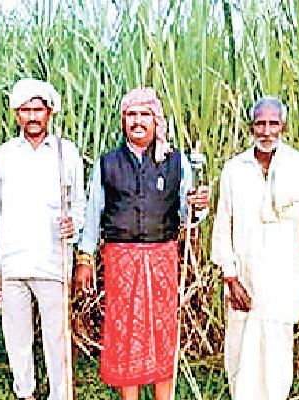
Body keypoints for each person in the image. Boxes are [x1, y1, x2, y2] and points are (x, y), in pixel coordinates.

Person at [211, 96, 299, 400]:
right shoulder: (234, 170)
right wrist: (231, 278)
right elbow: (222, 226)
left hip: (282, 279)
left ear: (283, 126)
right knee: (241, 356)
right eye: (260, 124)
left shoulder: (298, 165)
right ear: (251, 127)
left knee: (277, 359)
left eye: (273, 123)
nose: (266, 131)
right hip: (244, 279)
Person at [76, 88, 209, 400]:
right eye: (131, 115)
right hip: (120, 260)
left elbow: (188, 214)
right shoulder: (107, 163)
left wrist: (199, 205)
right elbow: (94, 213)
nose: (137, 121)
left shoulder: (176, 162)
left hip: (162, 258)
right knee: (125, 333)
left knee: (162, 331)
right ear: (124, 121)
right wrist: (84, 258)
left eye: (144, 114)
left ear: (156, 120)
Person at [0, 78, 86, 400]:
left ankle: (60, 394)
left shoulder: (66, 153)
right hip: (12, 262)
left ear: (49, 112)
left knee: (57, 337)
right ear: (17, 114)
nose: (32, 116)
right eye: (25, 110)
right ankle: (24, 392)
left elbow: (79, 205)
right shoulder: (4, 155)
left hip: (52, 261)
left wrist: (74, 225)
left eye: (37, 110)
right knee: (17, 336)